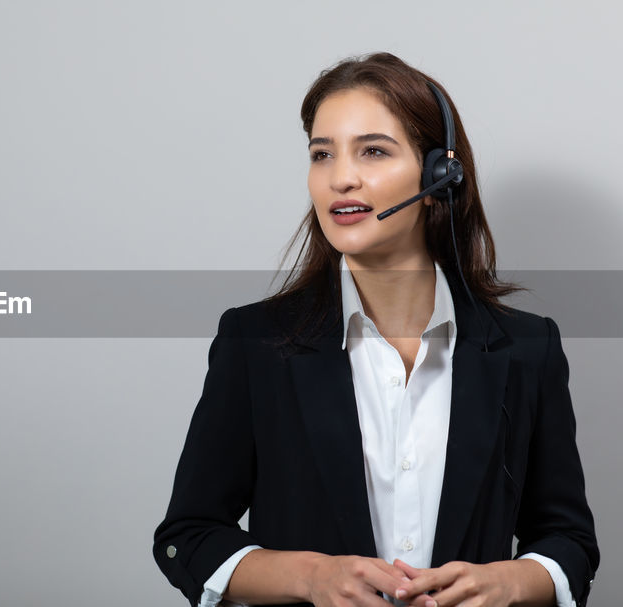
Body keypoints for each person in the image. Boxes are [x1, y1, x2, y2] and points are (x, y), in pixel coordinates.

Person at [151, 52, 598, 607]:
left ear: (440, 176)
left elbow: (569, 540)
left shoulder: (528, 348)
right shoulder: (254, 343)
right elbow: (187, 537)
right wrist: (311, 577)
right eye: (322, 154)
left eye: (374, 151)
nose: (341, 177)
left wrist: (511, 582)